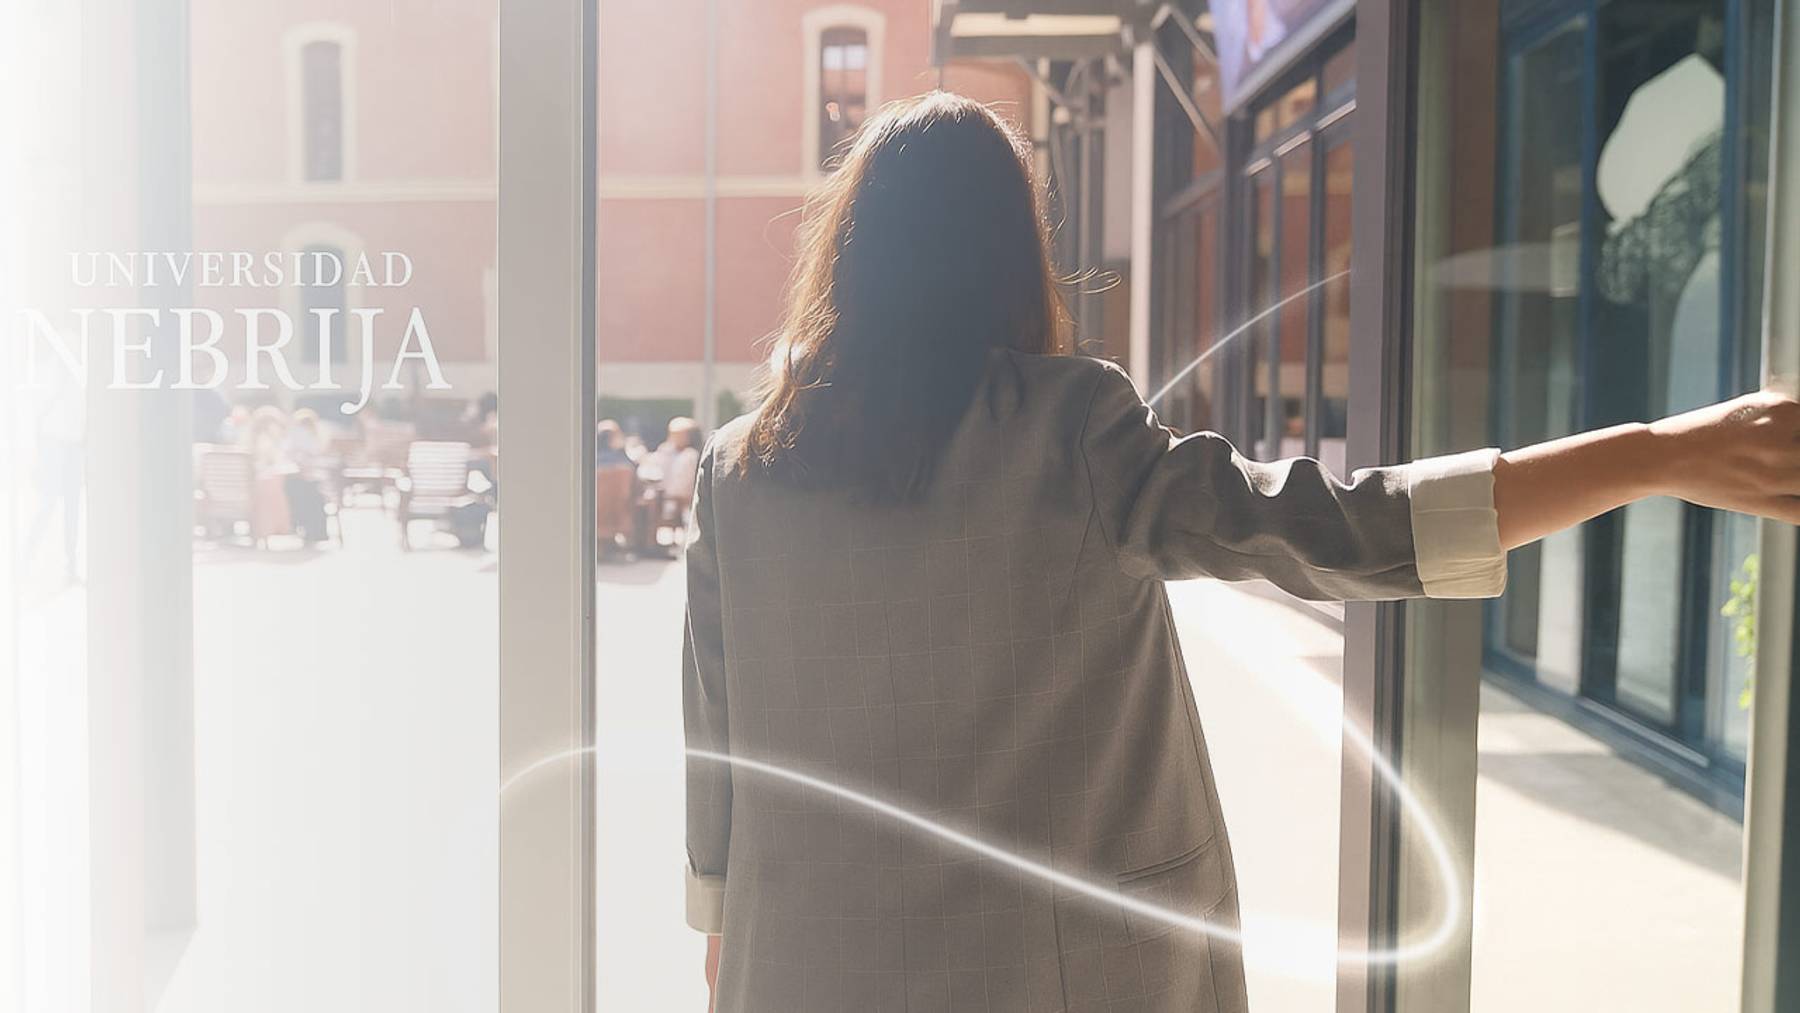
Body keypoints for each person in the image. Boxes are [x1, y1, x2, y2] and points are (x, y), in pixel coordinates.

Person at [681, 93, 1800, 1013]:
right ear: (1008, 253)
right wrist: (1659, 452)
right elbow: (1345, 526)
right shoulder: (1072, 428)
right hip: (1071, 975)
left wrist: (720, 922)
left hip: (809, 968)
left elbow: (714, 741)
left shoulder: (739, 472)